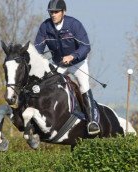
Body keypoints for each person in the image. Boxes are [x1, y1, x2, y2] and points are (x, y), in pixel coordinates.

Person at [34, 0, 100, 135]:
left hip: (77, 63)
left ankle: (93, 121)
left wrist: (72, 56)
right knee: (47, 85)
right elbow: (37, 50)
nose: (53, 15)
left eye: (56, 12)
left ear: (64, 12)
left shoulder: (74, 25)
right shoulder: (45, 27)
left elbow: (86, 46)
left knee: (83, 85)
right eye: (51, 12)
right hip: (58, 63)